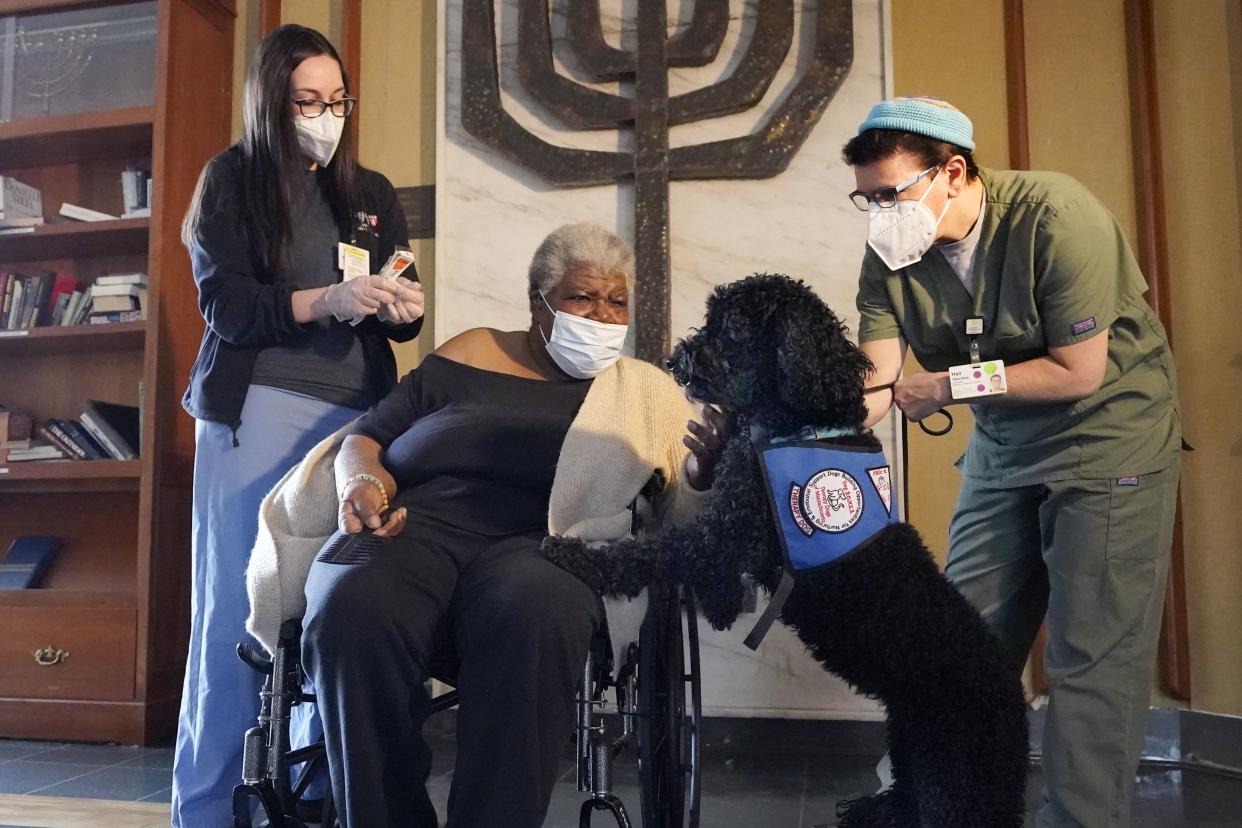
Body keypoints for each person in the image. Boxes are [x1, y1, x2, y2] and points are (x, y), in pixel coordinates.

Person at [296, 222, 728, 827]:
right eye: (582, 298)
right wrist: (360, 483)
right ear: (538, 303)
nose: (602, 315)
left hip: (548, 541)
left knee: (533, 609)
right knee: (350, 605)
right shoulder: (468, 353)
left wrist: (705, 474)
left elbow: (678, 509)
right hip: (417, 525)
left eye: (617, 300)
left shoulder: (643, 392)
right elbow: (367, 438)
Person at [844, 96, 1182, 828]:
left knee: (1091, 656)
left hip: (1107, 442)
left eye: (890, 195)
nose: (878, 215)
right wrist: (800, 431)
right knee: (954, 637)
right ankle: (914, 806)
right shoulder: (891, 255)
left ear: (953, 172)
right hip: (1004, 446)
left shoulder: (1056, 217)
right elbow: (875, 377)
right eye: (866, 200)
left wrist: (948, 384)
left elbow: (1078, 371)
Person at [175, 24, 424, 827]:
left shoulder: (370, 194)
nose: (326, 115)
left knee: (333, 617)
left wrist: (400, 306)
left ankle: (315, 802)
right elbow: (229, 307)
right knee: (236, 622)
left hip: (352, 427)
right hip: (258, 412)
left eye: (338, 100)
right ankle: (208, 812)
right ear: (272, 102)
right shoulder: (232, 181)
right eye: (308, 101)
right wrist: (328, 300)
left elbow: (394, 303)